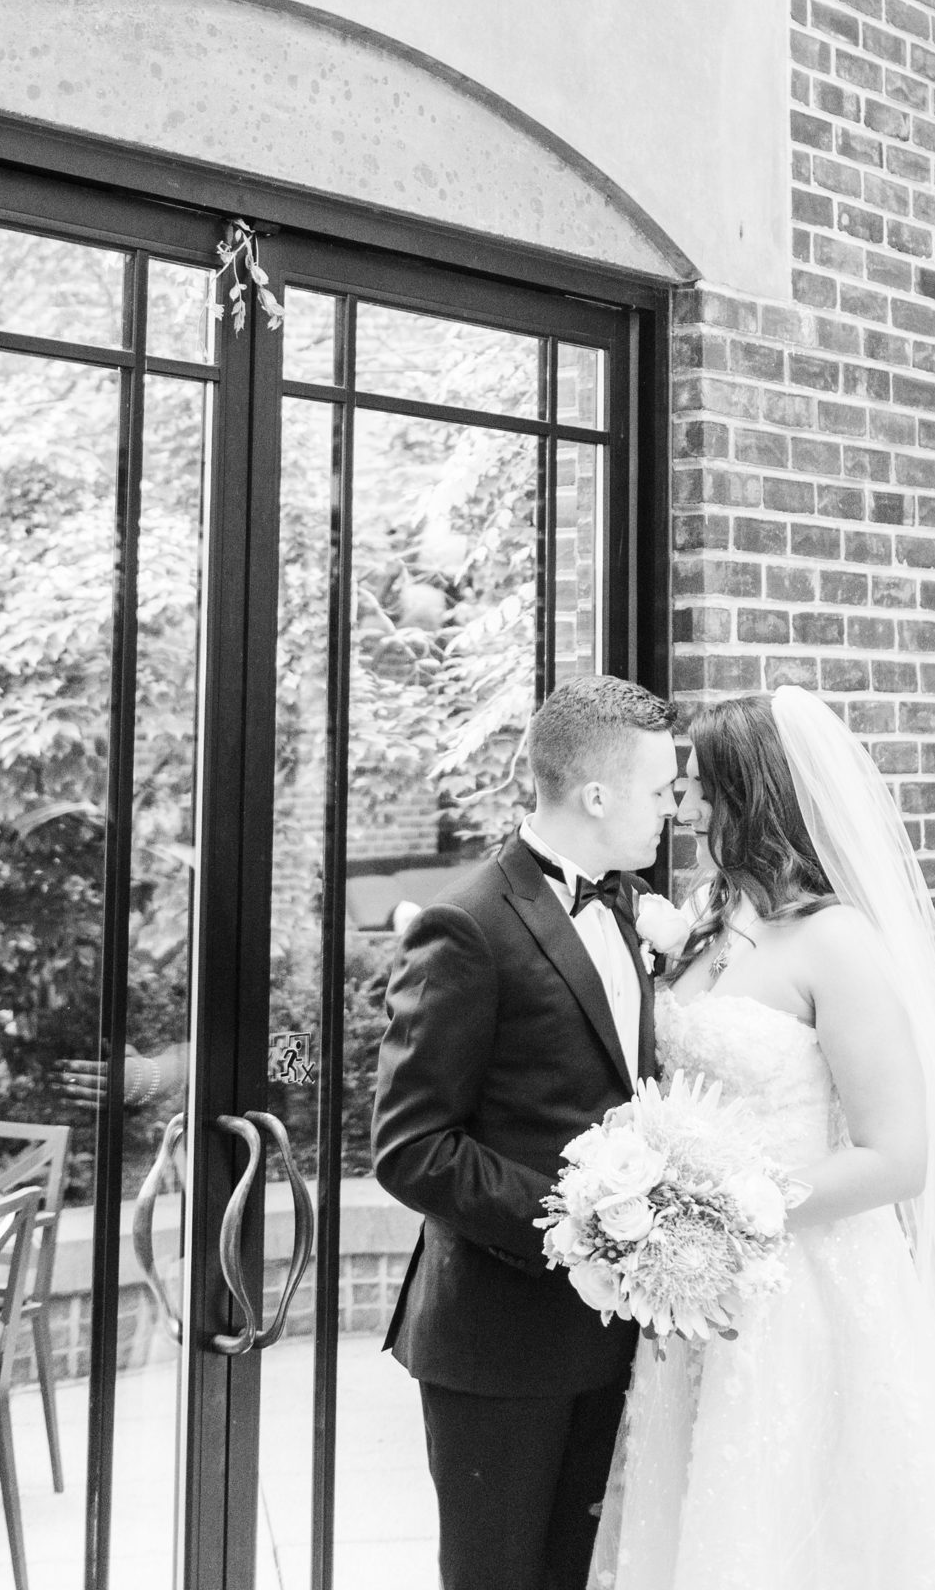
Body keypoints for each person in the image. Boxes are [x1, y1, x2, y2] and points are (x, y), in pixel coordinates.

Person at [588, 688, 935, 1590]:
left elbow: (895, 1157)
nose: (682, 807)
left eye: (698, 788)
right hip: (698, 1286)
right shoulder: (704, 922)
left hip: (810, 1286)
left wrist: (722, 1216)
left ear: (752, 795)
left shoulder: (837, 944)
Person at [372, 673, 680, 1590]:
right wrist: (578, 1221)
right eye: (661, 791)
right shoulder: (465, 924)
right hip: (498, 1339)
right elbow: (410, 1145)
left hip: (606, 1328)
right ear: (597, 795)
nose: (672, 811)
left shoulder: (621, 905)